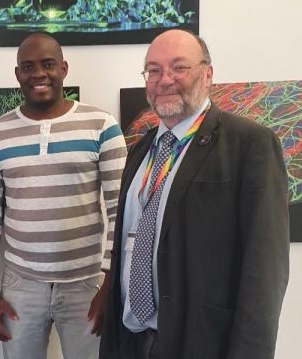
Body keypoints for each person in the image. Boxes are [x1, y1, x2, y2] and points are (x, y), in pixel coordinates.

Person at [99, 29, 290, 359]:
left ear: (208, 73)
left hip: (202, 341)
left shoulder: (249, 145)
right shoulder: (142, 150)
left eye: (179, 67)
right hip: (134, 337)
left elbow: (265, 270)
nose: (165, 79)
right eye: (154, 70)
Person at [0, 33, 127, 359]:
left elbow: (121, 210)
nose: (38, 74)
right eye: (28, 67)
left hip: (86, 283)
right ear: (18, 74)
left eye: (48, 65)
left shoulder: (101, 126)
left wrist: (110, 286)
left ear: (64, 68)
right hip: (20, 285)